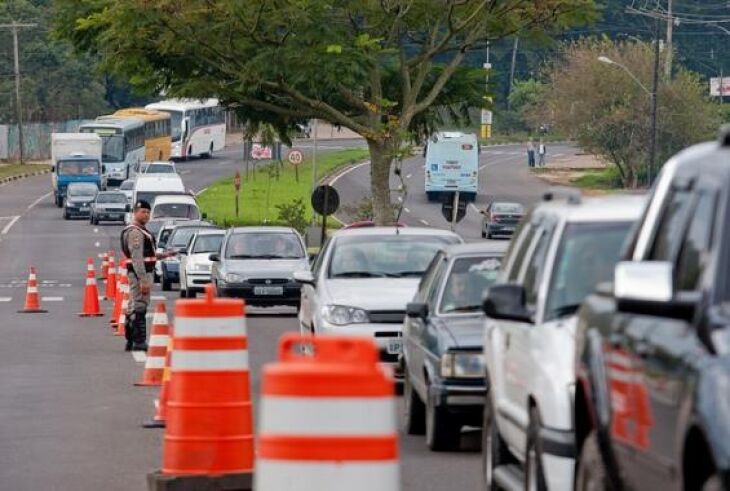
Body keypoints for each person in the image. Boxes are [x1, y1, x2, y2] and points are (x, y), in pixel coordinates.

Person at [120, 200, 176, 351]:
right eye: (142, 212)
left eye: (147, 212)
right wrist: (143, 280)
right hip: (140, 274)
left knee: (135, 306)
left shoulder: (141, 230)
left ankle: (131, 340)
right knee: (140, 306)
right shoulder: (135, 232)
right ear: (135, 212)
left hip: (142, 272)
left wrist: (164, 255)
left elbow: (147, 256)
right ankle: (138, 341)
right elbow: (137, 258)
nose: (145, 215)